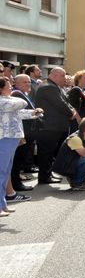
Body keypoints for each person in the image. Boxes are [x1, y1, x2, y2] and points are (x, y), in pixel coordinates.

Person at [0, 77, 44, 217]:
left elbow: (18, 113)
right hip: (4, 139)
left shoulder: (7, 101)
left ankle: (3, 205)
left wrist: (33, 113)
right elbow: (22, 102)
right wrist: (16, 97)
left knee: (5, 173)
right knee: (1, 173)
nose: (11, 87)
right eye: (8, 85)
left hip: (11, 138)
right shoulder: (5, 101)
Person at [34, 67, 80, 184]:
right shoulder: (48, 87)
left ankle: (47, 174)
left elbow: (66, 102)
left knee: (50, 153)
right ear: (54, 75)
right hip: (49, 127)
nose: (65, 78)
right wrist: (71, 114)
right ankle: (44, 177)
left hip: (55, 126)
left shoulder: (54, 87)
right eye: (63, 75)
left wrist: (72, 111)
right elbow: (60, 105)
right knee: (46, 153)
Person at [51, 117, 85, 191]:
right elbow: (84, 155)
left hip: (72, 163)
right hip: (65, 167)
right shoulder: (75, 138)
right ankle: (78, 184)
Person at [10, 74, 39, 192]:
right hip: (21, 131)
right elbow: (20, 113)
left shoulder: (25, 93)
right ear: (16, 83)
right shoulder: (16, 94)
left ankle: (16, 182)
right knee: (17, 159)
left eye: (29, 82)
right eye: (25, 82)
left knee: (20, 158)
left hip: (27, 131)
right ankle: (15, 183)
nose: (28, 84)